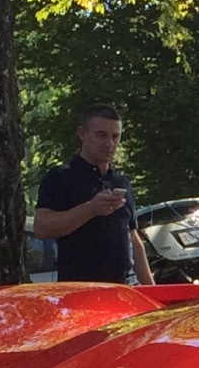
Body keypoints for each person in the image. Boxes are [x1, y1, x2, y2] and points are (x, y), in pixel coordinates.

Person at [33, 104, 155, 285]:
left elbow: (133, 239)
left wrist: (152, 292)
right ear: (82, 133)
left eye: (116, 137)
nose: (109, 144)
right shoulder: (61, 177)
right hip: (82, 291)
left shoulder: (121, 183)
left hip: (126, 289)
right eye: (101, 135)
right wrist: (90, 209)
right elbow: (41, 228)